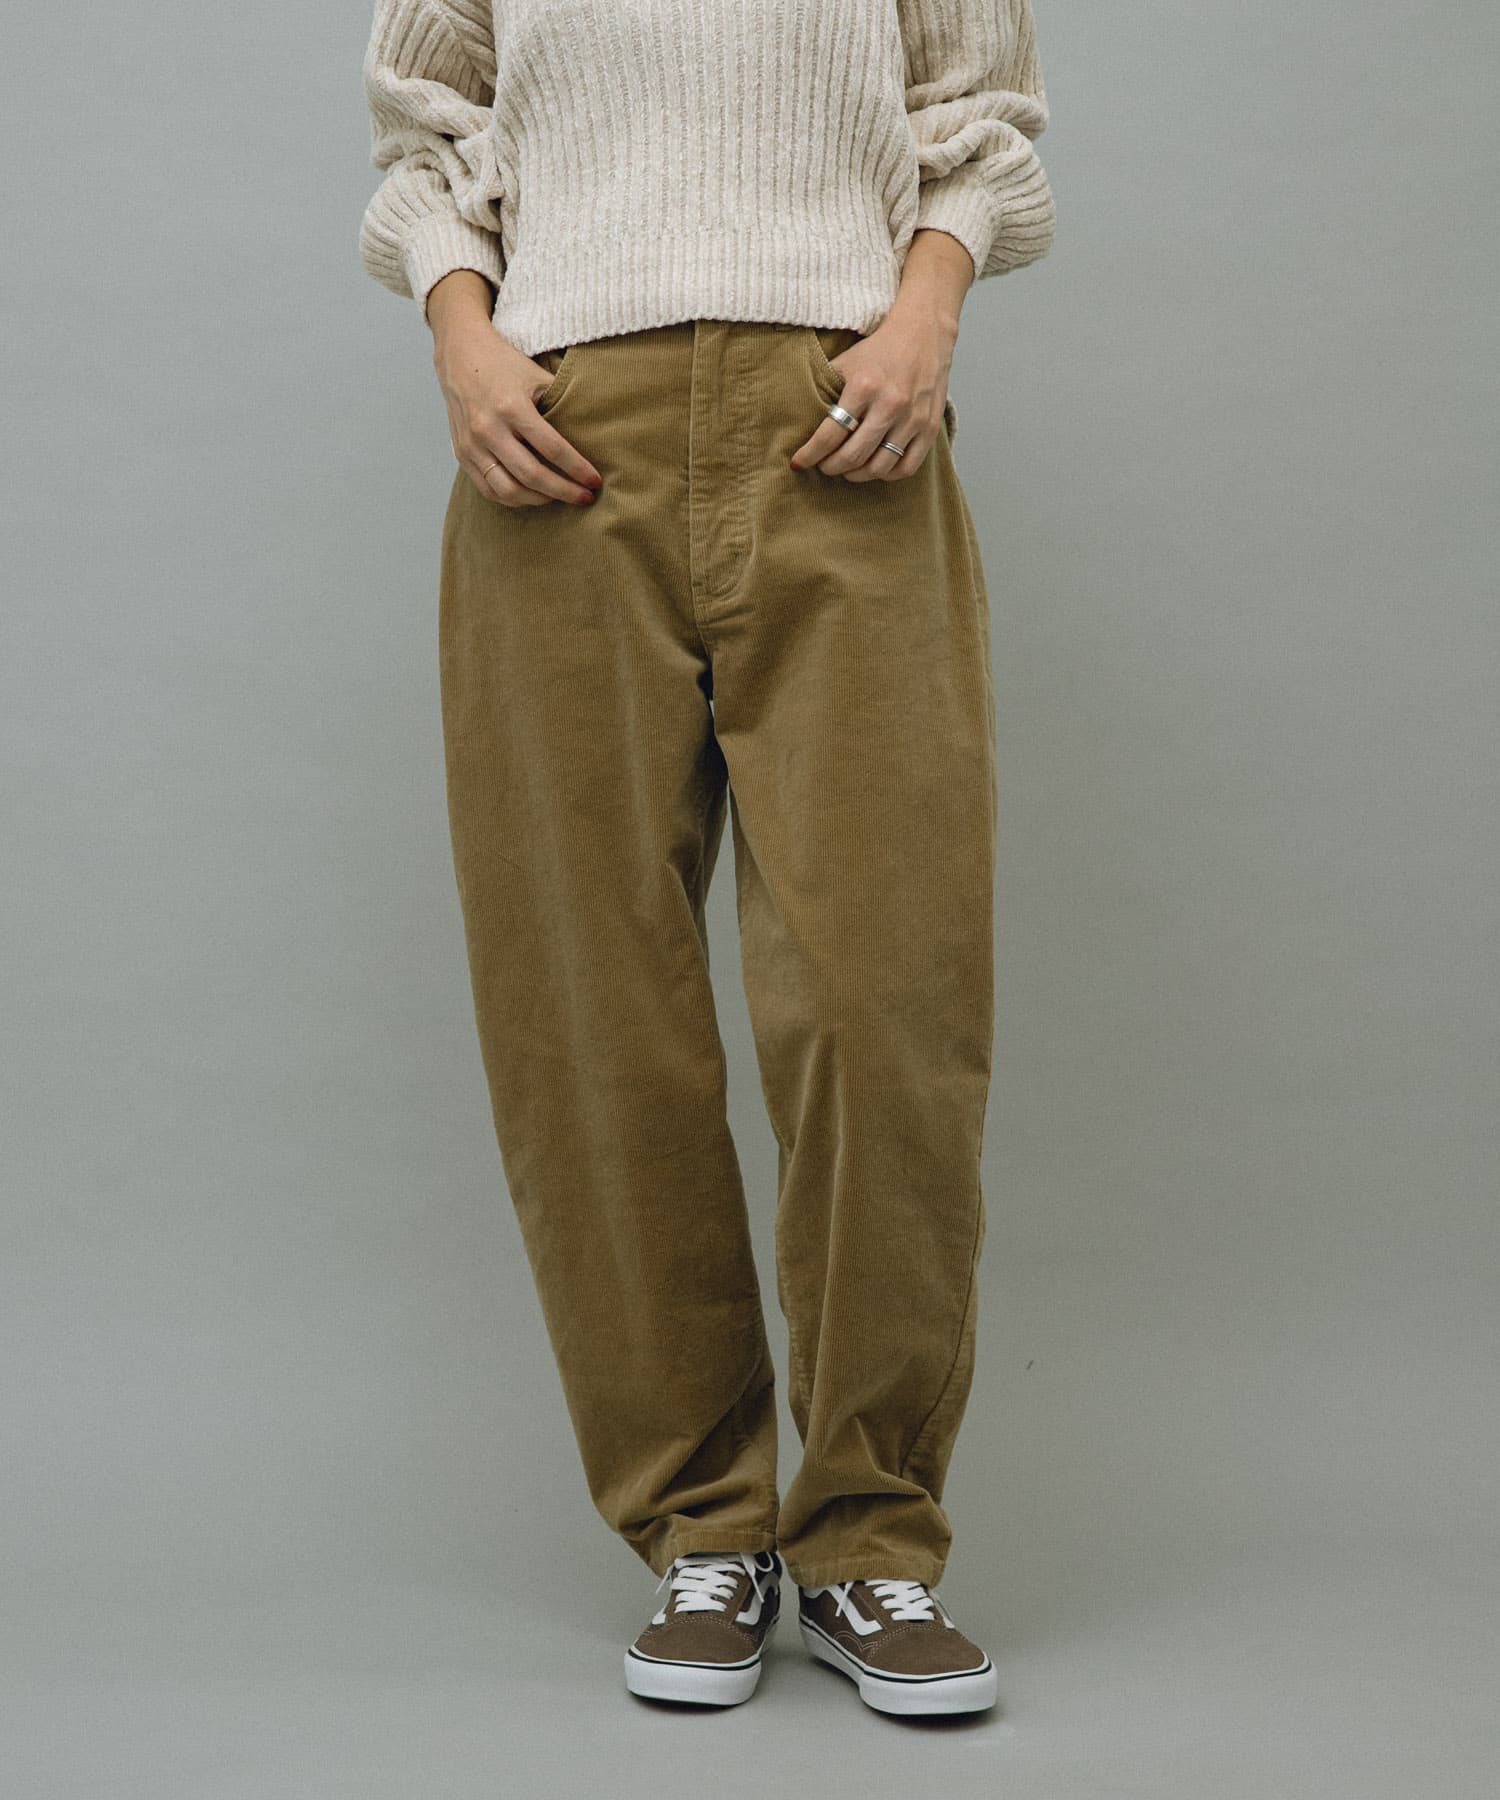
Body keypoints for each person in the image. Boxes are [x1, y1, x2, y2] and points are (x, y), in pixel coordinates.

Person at [358, 0, 1055, 1718]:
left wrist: (924, 318)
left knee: (884, 1007)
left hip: (846, 422)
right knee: (593, 1011)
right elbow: (424, 123)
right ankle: (702, 1531)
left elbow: (984, 119)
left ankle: (872, 1539)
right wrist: (463, 337)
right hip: (558, 444)